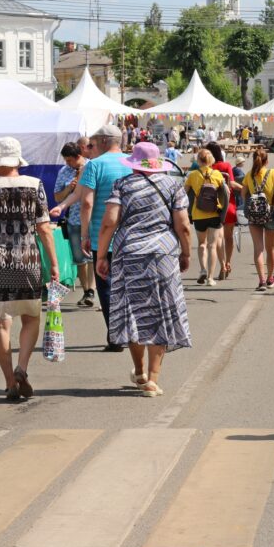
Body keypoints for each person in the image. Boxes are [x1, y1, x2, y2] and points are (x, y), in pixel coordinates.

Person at [95, 141, 193, 397]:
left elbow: (109, 222)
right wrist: (186, 252)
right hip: (163, 254)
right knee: (160, 310)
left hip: (129, 254)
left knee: (133, 311)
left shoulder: (123, 186)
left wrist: (102, 255)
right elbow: (183, 224)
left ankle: (139, 372)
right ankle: (153, 378)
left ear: (134, 164)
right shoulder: (173, 185)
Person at [0, 137, 59, 402]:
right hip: (27, 258)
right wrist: (53, 262)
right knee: (31, 316)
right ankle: (23, 367)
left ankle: (10, 381)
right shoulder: (34, 185)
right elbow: (44, 227)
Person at [66, 124, 132, 351]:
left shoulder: (95, 165)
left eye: (92, 144)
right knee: (128, 285)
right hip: (131, 235)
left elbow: (86, 202)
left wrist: (84, 233)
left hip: (101, 236)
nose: (90, 149)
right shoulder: (132, 162)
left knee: (106, 286)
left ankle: (115, 336)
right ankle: (130, 331)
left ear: (104, 141)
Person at [241, 146, 274, 291]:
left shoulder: (249, 175)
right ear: (267, 161)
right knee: (271, 249)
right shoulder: (273, 173)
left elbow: (243, 193)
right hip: (270, 213)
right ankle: (271, 278)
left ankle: (261, 281)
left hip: (253, 215)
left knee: (258, 249)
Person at [54, 140, 95, 307]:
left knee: (93, 256)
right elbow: (57, 197)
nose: (68, 163)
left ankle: (92, 290)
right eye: (65, 160)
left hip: (92, 218)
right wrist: (69, 189)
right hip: (73, 219)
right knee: (79, 257)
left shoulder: (93, 167)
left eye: (70, 160)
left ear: (79, 156)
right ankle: (86, 290)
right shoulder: (64, 172)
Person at [184, 148, 228, 286]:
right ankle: (210, 277)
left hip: (198, 214)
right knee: (212, 246)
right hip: (214, 213)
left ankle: (202, 269)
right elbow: (226, 192)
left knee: (202, 244)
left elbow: (184, 193)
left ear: (198, 160)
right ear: (211, 160)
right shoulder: (217, 174)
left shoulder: (192, 175)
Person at [207, 142, 242, 280]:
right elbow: (231, 183)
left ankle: (221, 266)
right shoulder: (226, 166)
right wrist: (244, 188)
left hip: (212, 205)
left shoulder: (207, 167)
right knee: (228, 237)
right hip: (228, 204)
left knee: (216, 239)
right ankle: (228, 262)